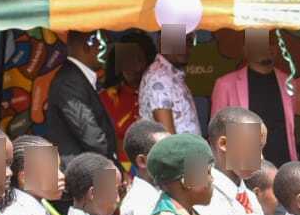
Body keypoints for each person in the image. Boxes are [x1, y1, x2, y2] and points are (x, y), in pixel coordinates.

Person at [210, 31, 298, 164]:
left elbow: (290, 127)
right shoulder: (225, 84)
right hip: (243, 165)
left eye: (271, 43)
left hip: (283, 161)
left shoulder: (288, 81)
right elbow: (216, 132)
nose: (266, 47)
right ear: (246, 50)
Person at [35, 31, 119, 161]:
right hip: (79, 171)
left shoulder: (76, 77)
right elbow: (91, 136)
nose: (106, 51)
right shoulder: (69, 81)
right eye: (102, 45)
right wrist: (114, 164)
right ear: (87, 47)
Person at [102, 29, 155, 164]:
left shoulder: (157, 94)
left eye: (139, 59)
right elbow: (102, 140)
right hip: (116, 169)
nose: (135, 67)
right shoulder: (106, 98)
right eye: (128, 59)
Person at [139, 34, 200, 135]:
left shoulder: (171, 75)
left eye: (189, 41)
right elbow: (167, 139)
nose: (183, 47)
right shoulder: (159, 78)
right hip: (175, 150)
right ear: (162, 43)